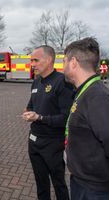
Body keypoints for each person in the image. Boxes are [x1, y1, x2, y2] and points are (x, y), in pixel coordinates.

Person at [63, 37, 109, 200]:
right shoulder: (86, 91)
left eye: (64, 61)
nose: (62, 67)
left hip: (94, 190)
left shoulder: (97, 97)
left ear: (73, 62)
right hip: (83, 183)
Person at [22, 45, 73, 200]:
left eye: (35, 60)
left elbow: (66, 118)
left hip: (53, 144)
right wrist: (28, 111)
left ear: (49, 59)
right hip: (34, 141)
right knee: (41, 183)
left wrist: (40, 117)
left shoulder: (62, 82)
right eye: (31, 60)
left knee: (58, 184)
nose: (32, 64)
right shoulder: (36, 82)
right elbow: (31, 105)